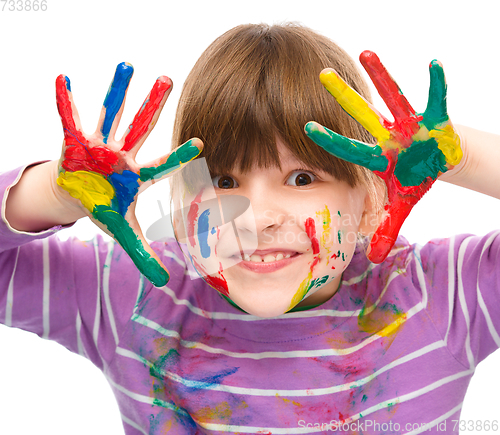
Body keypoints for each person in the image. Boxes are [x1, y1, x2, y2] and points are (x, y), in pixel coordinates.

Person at [1, 22, 499, 434]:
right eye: (222, 179)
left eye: (302, 177)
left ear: (371, 201)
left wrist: (461, 158)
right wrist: (56, 192)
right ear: (178, 202)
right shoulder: (134, 293)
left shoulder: (436, 297)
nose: (257, 218)